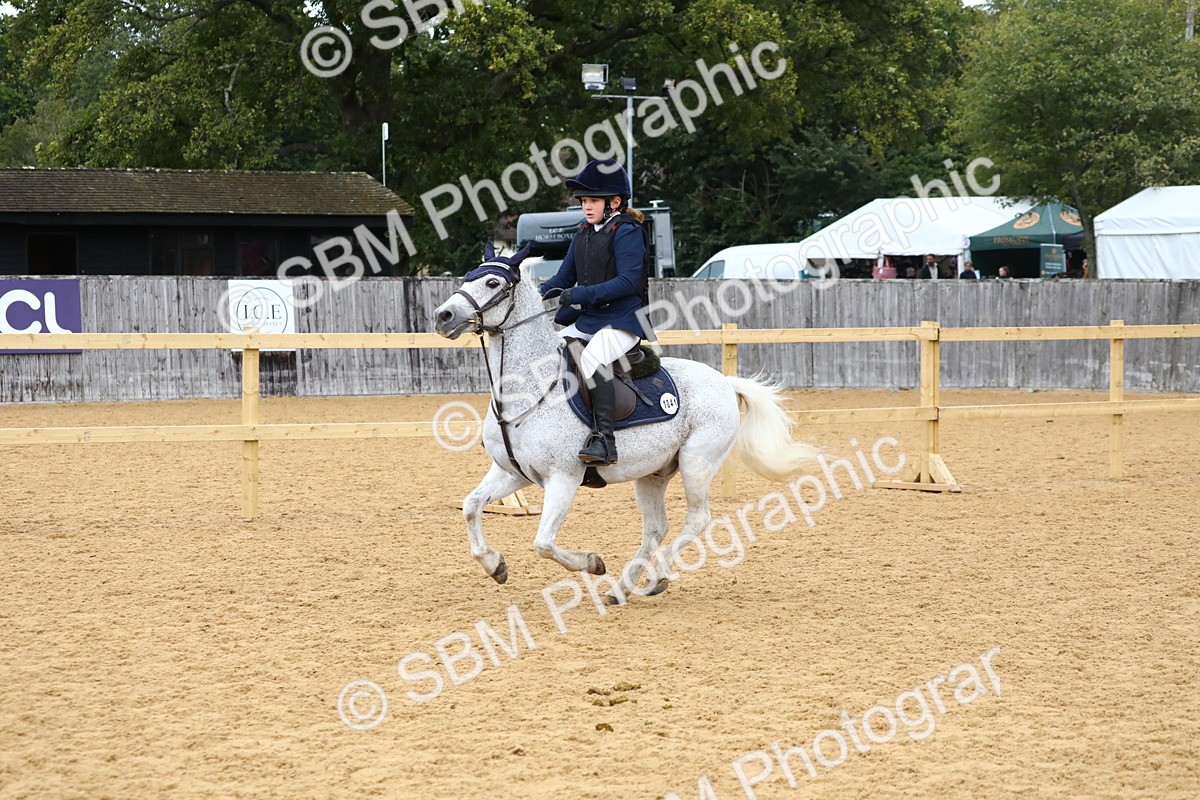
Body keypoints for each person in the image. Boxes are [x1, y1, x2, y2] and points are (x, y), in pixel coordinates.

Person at [538, 158, 655, 467]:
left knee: (591, 359)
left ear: (614, 202)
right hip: (591, 320)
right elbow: (563, 277)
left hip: (624, 320)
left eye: (592, 200)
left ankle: (605, 440)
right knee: (549, 352)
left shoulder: (628, 231)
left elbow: (628, 282)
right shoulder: (584, 232)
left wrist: (578, 294)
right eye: (583, 201)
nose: (586, 207)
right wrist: (534, 294)